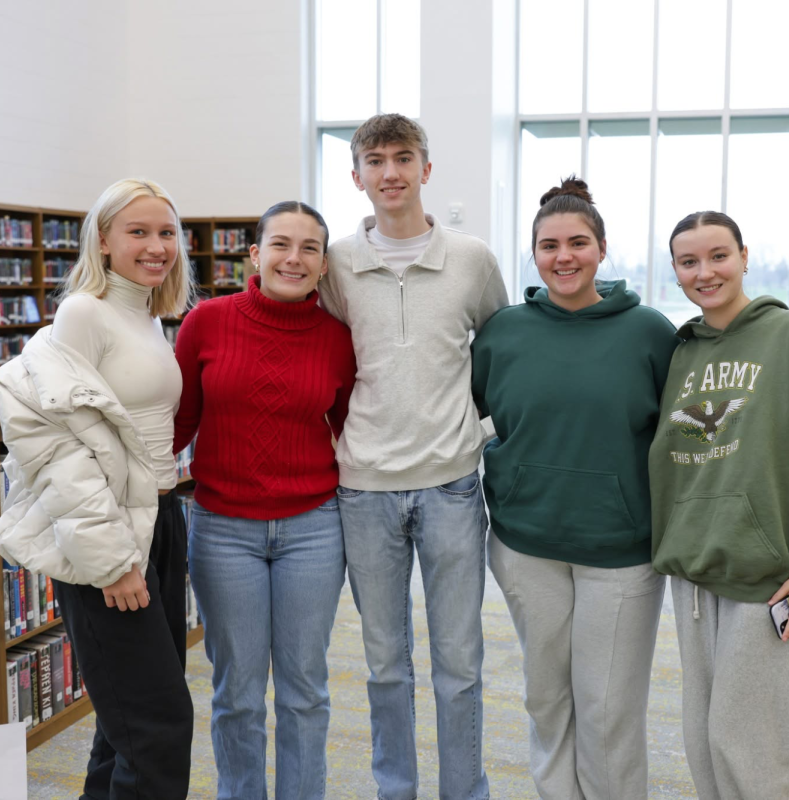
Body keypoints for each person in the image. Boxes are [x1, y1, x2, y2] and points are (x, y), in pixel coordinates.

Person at [649, 211, 789, 800]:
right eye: (688, 261)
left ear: (745, 257)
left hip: (770, 580)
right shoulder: (681, 355)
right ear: (675, 273)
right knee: (704, 747)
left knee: (753, 753)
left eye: (718, 255)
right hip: (696, 576)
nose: (706, 271)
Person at [318, 113, 508, 800]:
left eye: (404, 157)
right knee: (383, 664)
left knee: (459, 664)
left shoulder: (473, 260)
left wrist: (477, 433)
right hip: (363, 489)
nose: (390, 172)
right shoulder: (333, 263)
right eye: (376, 160)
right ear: (357, 176)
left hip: (453, 486)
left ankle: (466, 791)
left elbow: (498, 353)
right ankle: (393, 789)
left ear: (426, 169)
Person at [0, 178, 196, 799]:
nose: (156, 246)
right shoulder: (84, 312)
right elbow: (56, 447)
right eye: (138, 232)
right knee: (159, 726)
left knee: (125, 723)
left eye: (166, 232)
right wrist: (110, 562)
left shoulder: (149, 315)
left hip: (158, 520)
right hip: (107, 539)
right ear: (102, 240)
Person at [471, 177, 679, 798]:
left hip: (621, 549)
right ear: (533, 254)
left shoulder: (649, 331)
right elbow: (463, 412)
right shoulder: (503, 332)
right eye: (549, 245)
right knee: (546, 697)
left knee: (607, 708)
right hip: (524, 543)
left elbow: (679, 435)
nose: (564, 256)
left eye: (578, 243)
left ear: (602, 248)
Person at [173, 202, 355, 799]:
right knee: (238, 691)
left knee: (305, 688)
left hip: (312, 528)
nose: (293, 258)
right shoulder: (206, 322)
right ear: (254, 254)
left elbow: (353, 428)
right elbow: (176, 426)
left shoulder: (337, 339)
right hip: (224, 529)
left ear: (324, 265)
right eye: (280, 244)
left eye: (308, 248)